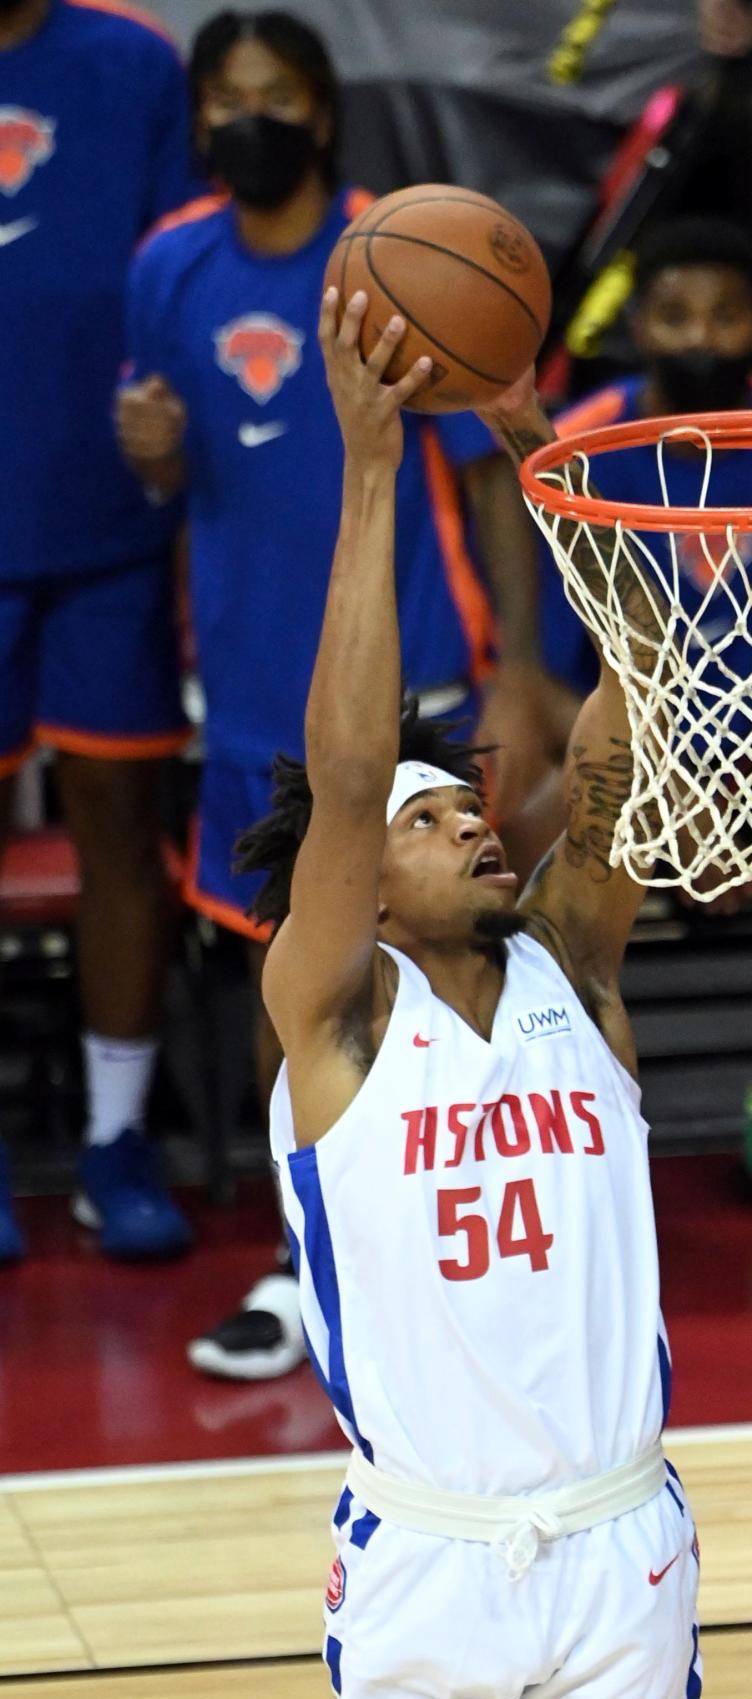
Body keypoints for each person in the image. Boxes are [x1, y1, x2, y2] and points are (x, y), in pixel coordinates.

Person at [255, 284, 700, 1699]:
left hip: (617, 1542)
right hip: (428, 1564)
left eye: (471, 813)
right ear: (357, 880)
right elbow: (352, 767)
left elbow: (632, 737)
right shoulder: (334, 1017)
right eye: (429, 822)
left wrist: (550, 469)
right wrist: (372, 470)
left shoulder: (571, 966)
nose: (470, 826)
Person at [117, 9, 555, 1374]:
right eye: (230, 95)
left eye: (281, 94)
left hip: (417, 669)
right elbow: (173, 474)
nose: (255, 117)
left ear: (322, 109)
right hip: (249, 677)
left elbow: (490, 470)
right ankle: (313, 1259)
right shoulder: (167, 266)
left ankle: (470, 1233)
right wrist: (153, 461)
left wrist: (524, 667)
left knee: (440, 944)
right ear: (200, 121)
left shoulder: (398, 252)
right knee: (288, 978)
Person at [525, 215, 752, 1235]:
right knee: (529, 823)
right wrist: (664, 778)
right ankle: (553, 1114)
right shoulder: (578, 450)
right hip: (629, 754)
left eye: (725, 314)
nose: (699, 336)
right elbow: (546, 679)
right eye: (674, 313)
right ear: (636, 323)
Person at [0, 0, 198, 1264]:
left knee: (122, 837)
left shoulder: (132, 62)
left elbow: (187, 263)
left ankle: (116, 1139)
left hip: (107, 526)